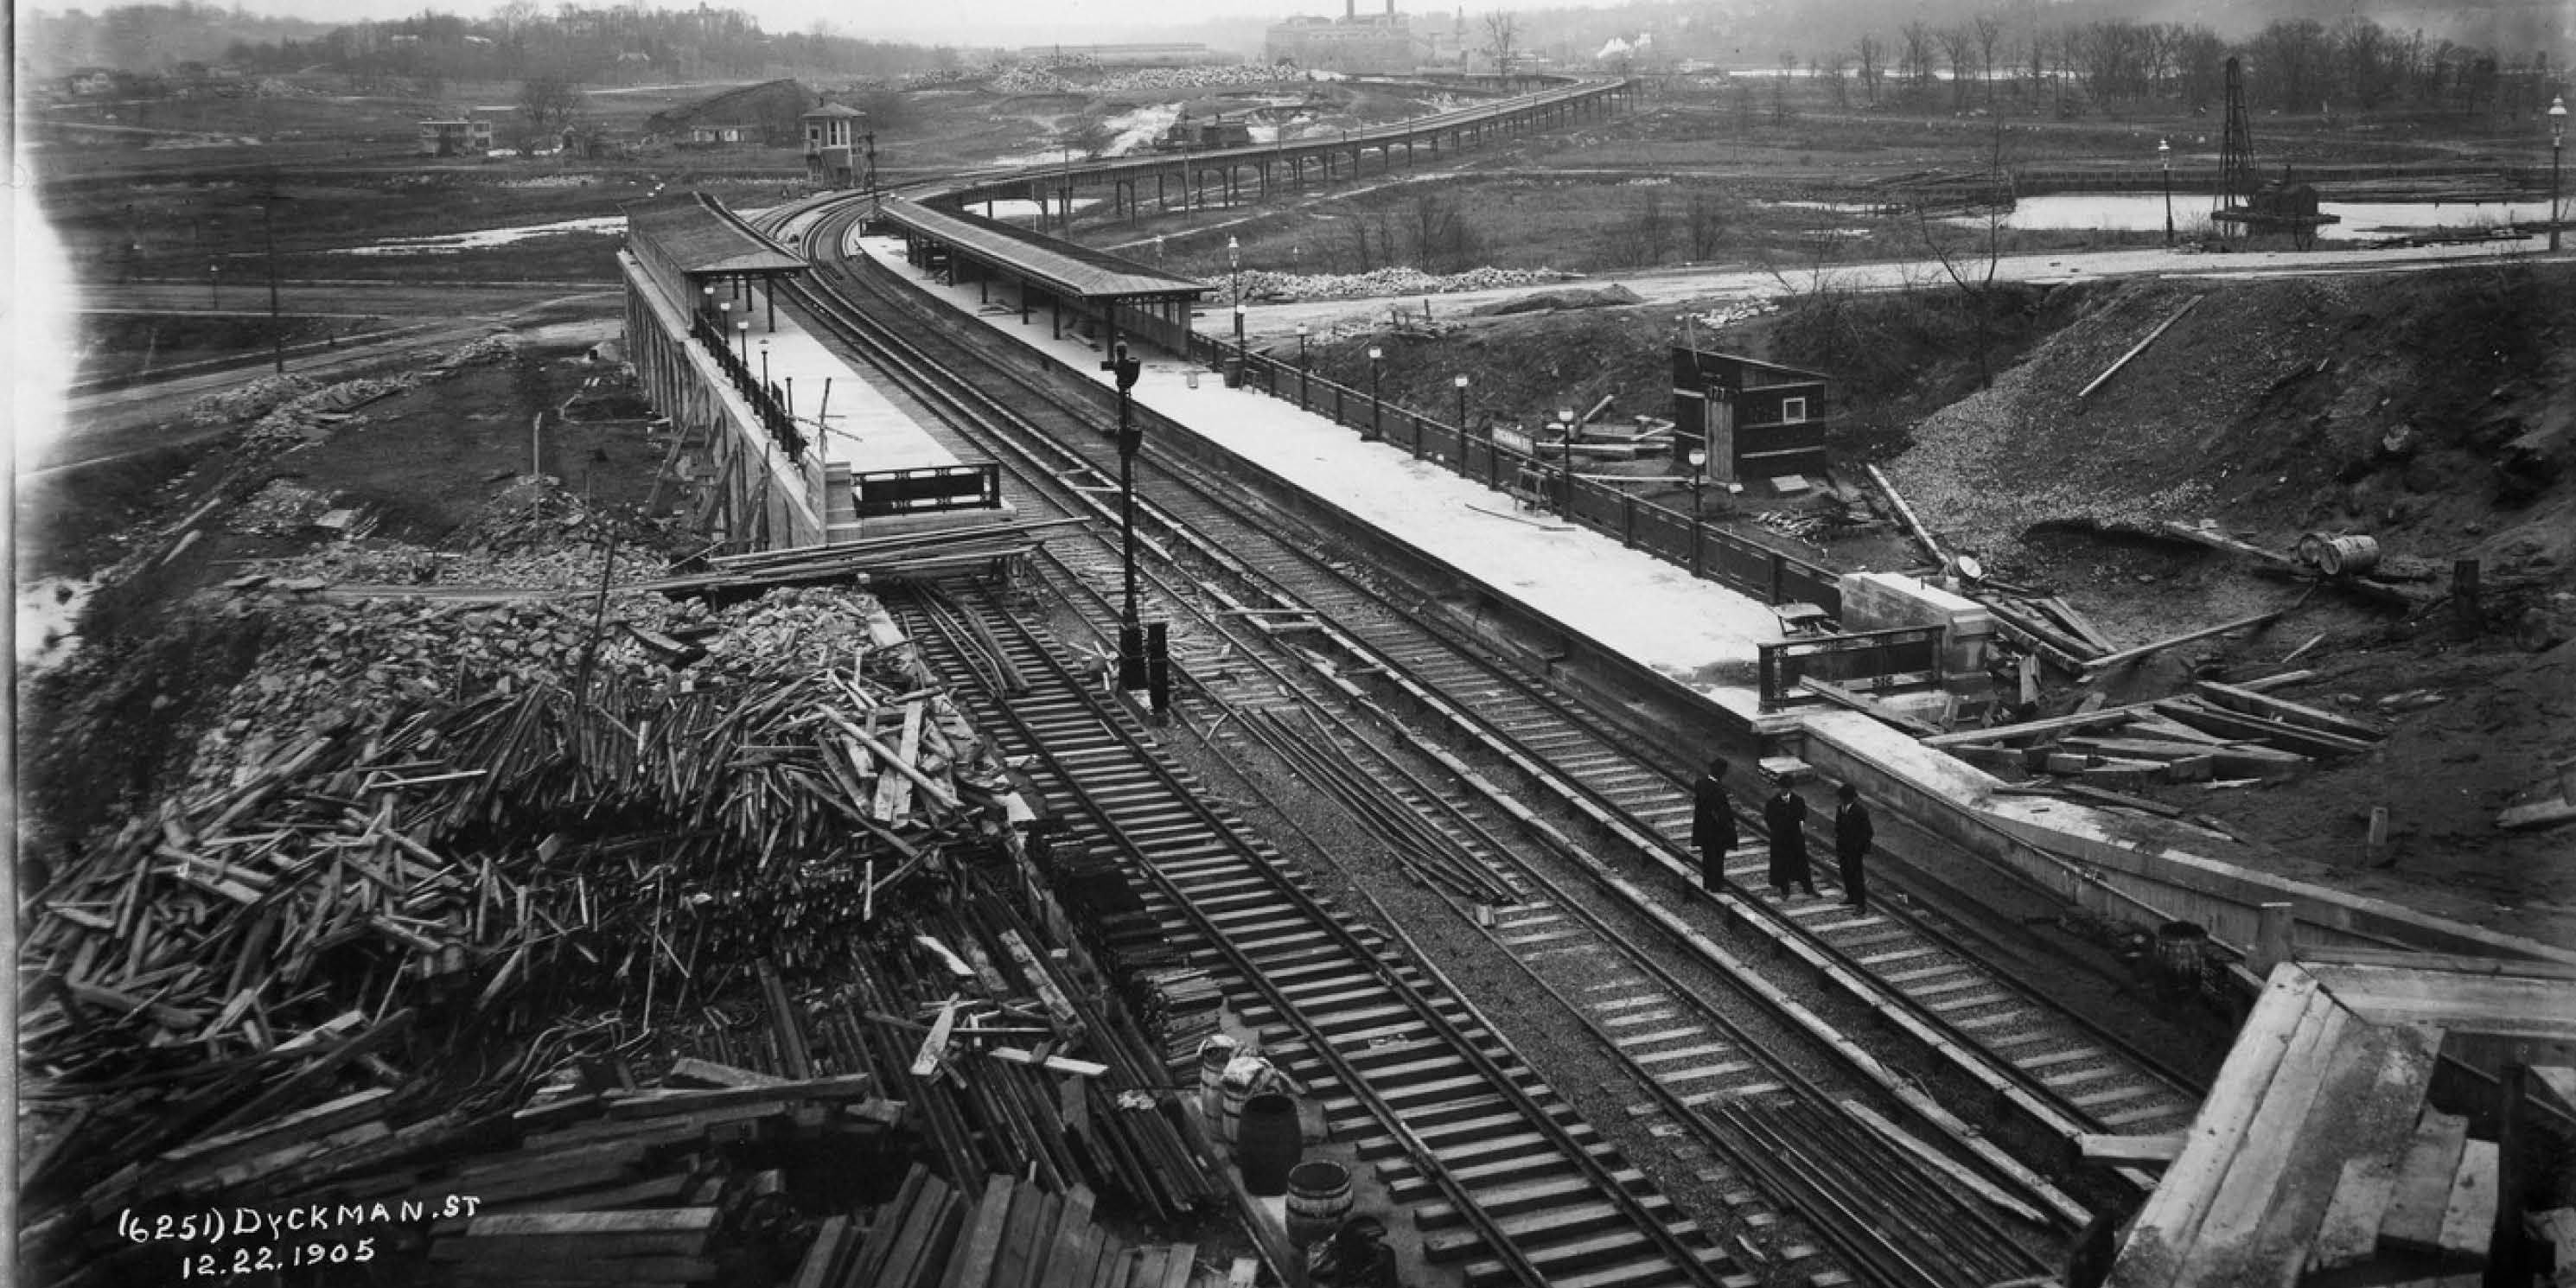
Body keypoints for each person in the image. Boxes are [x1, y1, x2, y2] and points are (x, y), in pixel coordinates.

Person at [1689, 757, 1738, 896]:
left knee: (1707, 856)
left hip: (1703, 829)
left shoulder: (1700, 783)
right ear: (1720, 772)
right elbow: (1720, 813)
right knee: (1718, 858)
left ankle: (1708, 883)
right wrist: (1728, 828)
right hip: (1716, 831)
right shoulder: (1717, 789)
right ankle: (1717, 886)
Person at [1763, 778, 1817, 899]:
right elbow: (1768, 819)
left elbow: (1803, 815)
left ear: (1790, 788)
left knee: (1802, 864)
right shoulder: (1772, 803)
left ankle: (1808, 888)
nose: (1784, 790)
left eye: (1786, 788)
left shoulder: (1798, 801)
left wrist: (1799, 825)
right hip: (1781, 839)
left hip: (1795, 838)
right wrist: (1778, 830)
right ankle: (1785, 890)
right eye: (1782, 788)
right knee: (1782, 864)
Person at [1835, 782, 1873, 912]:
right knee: (1846, 873)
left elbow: (1868, 832)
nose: (1842, 800)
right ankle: (1851, 897)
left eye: (1844, 797)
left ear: (1851, 798)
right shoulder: (1840, 809)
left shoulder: (1860, 812)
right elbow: (1838, 827)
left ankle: (1861, 905)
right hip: (1843, 848)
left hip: (1854, 850)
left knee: (1857, 877)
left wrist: (1858, 846)